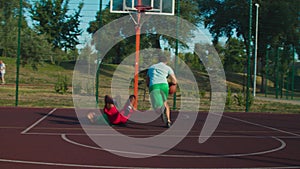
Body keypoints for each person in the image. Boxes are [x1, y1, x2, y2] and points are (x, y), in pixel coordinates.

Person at [146, 54, 177, 128]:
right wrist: (171, 84)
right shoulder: (168, 68)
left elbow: (147, 80)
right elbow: (175, 81)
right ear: (166, 61)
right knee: (165, 102)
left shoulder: (151, 67)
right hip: (164, 85)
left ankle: (162, 110)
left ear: (158, 60)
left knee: (157, 107)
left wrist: (149, 86)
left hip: (154, 85)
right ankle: (168, 121)